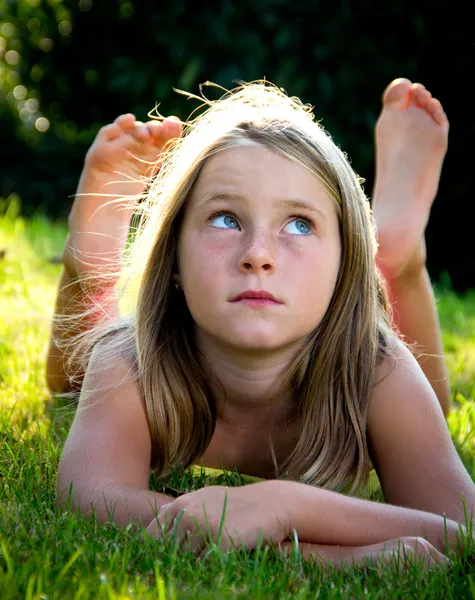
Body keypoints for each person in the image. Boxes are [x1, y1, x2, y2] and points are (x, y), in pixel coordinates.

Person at [51, 79, 470, 569]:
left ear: (346, 265)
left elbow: (463, 528)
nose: (258, 256)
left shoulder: (377, 369)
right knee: (72, 382)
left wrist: (286, 506)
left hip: (373, 346)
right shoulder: (129, 358)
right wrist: (324, 554)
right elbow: (88, 498)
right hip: (122, 344)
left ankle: (397, 260)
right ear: (175, 259)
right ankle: (91, 269)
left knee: (430, 407)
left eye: (299, 224)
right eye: (226, 219)